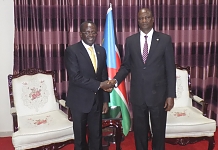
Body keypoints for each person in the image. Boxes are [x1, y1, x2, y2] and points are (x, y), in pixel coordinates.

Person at [109, 8, 176, 150]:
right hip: (138, 96)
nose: (144, 20)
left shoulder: (164, 40)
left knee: (158, 133)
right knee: (139, 133)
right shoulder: (131, 41)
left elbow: (170, 70)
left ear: (152, 19)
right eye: (141, 18)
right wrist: (115, 81)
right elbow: (126, 66)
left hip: (159, 96)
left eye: (147, 17)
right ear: (137, 21)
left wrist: (170, 95)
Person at [64, 21, 113, 150]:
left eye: (93, 32)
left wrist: (105, 101)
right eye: (87, 32)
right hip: (79, 101)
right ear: (81, 34)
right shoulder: (72, 51)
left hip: (97, 101)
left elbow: (103, 74)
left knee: (96, 135)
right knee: (80, 138)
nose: (91, 34)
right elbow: (75, 77)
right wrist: (100, 85)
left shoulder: (101, 50)